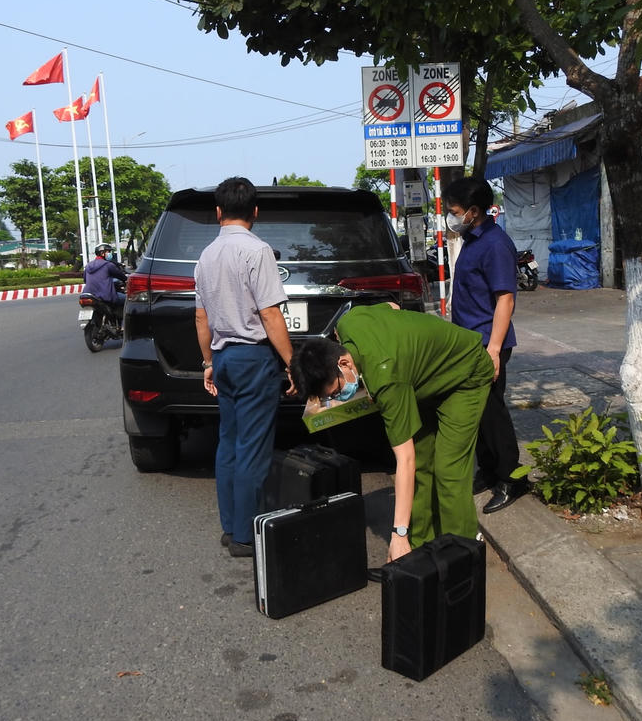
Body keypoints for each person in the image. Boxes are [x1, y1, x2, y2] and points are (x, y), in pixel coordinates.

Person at [290, 304, 492, 562]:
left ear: (343, 362)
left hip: (464, 375)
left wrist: (398, 534)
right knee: (423, 459)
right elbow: (392, 307)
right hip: (422, 378)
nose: (339, 397)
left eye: (336, 391)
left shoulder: (385, 380)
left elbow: (404, 461)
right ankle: (420, 549)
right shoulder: (348, 322)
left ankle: (461, 554)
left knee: (449, 469)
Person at [194, 177, 294, 558]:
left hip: (221, 358)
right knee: (253, 448)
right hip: (253, 358)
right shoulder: (257, 251)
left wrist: (207, 363)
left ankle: (230, 526)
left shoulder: (205, 256)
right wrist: (291, 363)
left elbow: (201, 319)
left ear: (218, 212)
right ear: (255, 212)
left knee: (229, 444)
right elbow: (269, 313)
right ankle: (245, 537)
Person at [443, 177, 524, 514]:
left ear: (473, 212)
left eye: (455, 211)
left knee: (493, 414)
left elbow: (505, 299)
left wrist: (493, 350)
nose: (451, 217)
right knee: (476, 414)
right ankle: (489, 471)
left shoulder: (494, 244)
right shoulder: (471, 239)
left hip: (487, 344)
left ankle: (511, 480)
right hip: (469, 343)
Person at [83, 242, 125, 319]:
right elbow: (121, 276)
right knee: (127, 300)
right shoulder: (108, 265)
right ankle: (123, 325)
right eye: (108, 252)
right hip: (105, 295)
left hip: (89, 294)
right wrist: (126, 279)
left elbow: (85, 280)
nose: (110, 254)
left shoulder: (88, 266)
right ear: (102, 253)